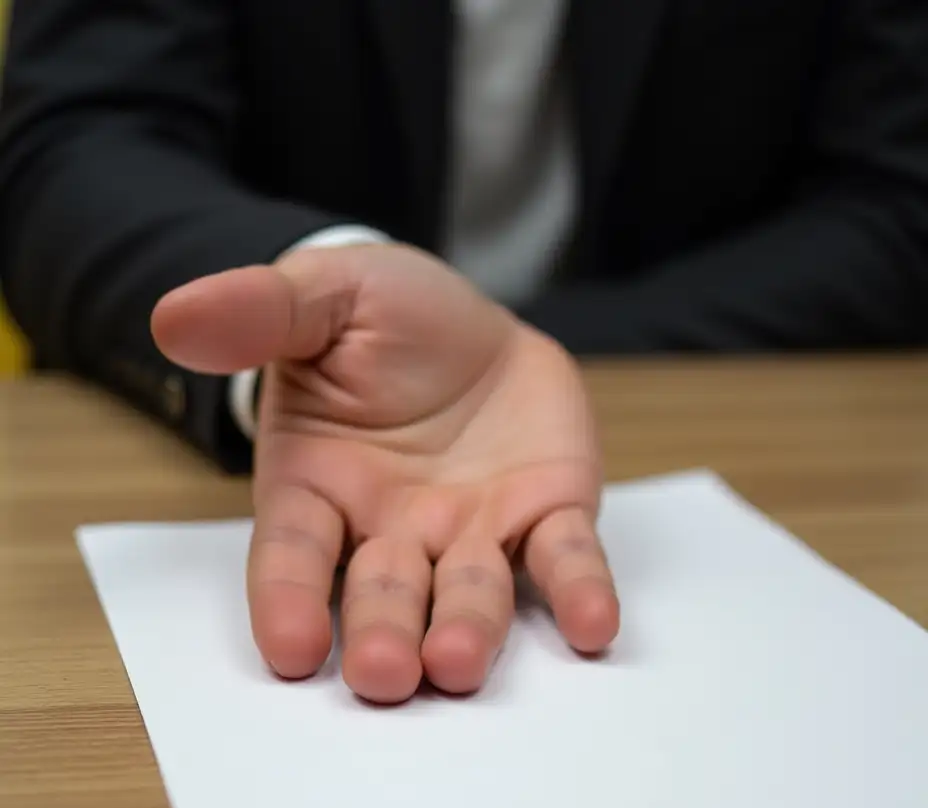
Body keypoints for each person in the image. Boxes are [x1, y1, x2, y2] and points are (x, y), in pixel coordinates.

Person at [1, 2, 927, 704]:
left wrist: (536, 347)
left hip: (750, 438)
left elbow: (896, 200)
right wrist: (319, 291)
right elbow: (75, 148)